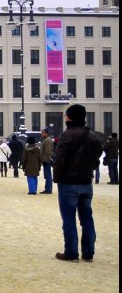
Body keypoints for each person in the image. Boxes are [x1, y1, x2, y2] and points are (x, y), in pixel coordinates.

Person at [53, 104, 103, 263]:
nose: (65, 117)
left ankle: (71, 252)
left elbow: (59, 160)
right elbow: (97, 156)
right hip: (86, 182)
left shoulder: (66, 135)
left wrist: (58, 178)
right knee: (87, 217)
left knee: (68, 218)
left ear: (71, 117)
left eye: (66, 115)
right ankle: (88, 252)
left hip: (68, 182)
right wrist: (89, 169)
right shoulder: (92, 136)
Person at [39, 128, 54, 194]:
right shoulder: (47, 140)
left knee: (48, 175)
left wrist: (45, 160)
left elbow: (48, 152)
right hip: (46, 159)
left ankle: (48, 189)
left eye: (42, 133)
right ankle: (47, 188)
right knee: (47, 175)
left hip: (46, 160)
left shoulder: (47, 140)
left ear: (46, 133)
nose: (41, 134)